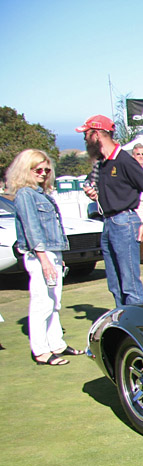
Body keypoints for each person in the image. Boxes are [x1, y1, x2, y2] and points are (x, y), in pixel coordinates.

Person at [7, 149, 84, 365]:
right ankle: (40, 350)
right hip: (39, 253)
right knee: (42, 301)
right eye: (37, 169)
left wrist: (55, 258)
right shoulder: (25, 195)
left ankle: (56, 343)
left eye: (46, 169)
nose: (43, 173)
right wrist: (44, 259)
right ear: (26, 170)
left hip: (52, 251)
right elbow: (32, 229)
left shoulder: (40, 194)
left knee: (54, 301)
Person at [78, 114, 143, 306]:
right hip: (109, 223)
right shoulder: (101, 162)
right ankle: (122, 324)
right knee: (115, 284)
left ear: (98, 134)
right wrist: (92, 192)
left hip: (124, 222)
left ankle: (134, 328)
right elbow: (92, 184)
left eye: (87, 134)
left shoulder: (124, 160)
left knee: (130, 284)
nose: (84, 139)